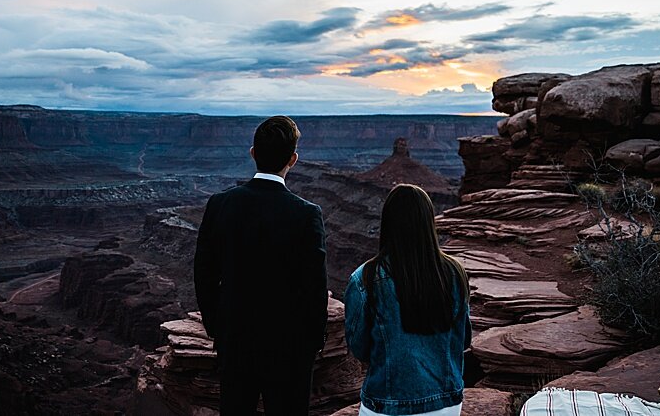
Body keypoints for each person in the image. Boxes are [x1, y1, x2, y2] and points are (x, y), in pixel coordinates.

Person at [193, 115, 329, 415]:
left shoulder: (220, 204)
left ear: (253, 153)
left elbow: (203, 272)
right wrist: (313, 342)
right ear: (293, 159)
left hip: (235, 342)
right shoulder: (306, 215)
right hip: (290, 350)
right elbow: (315, 287)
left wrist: (217, 326)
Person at [344, 184, 471, 416]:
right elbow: (463, 340)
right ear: (428, 223)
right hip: (445, 404)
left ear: (388, 223)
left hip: (387, 404)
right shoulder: (455, 273)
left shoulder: (366, 278)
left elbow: (359, 348)